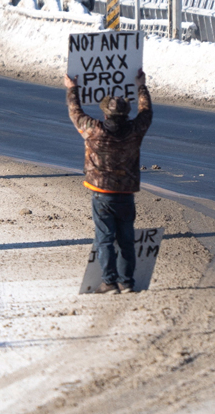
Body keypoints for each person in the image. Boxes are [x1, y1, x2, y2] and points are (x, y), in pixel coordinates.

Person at [65, 69, 153, 294]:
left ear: (105, 115)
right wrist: (141, 86)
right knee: (126, 240)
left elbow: (75, 112)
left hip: (101, 192)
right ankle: (127, 283)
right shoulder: (135, 131)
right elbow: (146, 112)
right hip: (126, 194)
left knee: (105, 239)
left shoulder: (94, 130)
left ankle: (109, 282)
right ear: (126, 114)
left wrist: (72, 89)